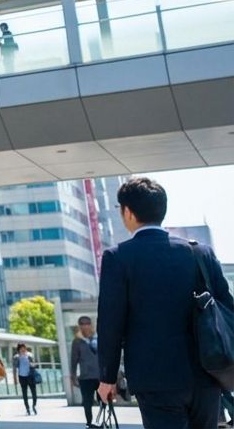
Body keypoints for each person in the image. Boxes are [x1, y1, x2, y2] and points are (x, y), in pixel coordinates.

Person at [97, 176, 232, 428]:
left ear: (128, 212)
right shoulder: (199, 252)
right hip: (207, 371)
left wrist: (107, 377)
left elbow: (110, 322)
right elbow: (226, 308)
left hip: (153, 377)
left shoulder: (118, 257)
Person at [71, 315, 103, 427]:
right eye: (82, 324)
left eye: (87, 323)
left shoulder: (99, 338)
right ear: (79, 326)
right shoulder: (77, 342)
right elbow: (74, 360)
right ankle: (89, 423)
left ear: (91, 324)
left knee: (102, 400)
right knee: (87, 402)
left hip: (100, 376)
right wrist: (73, 376)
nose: (85, 326)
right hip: (85, 377)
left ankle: (101, 420)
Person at [13, 344, 38, 415]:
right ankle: (27, 408)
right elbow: (14, 368)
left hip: (30, 376)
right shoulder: (16, 357)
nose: (23, 350)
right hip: (22, 377)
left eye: (24, 348)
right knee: (24, 394)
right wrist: (15, 379)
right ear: (19, 350)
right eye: (21, 349)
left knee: (34, 393)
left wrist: (33, 365)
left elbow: (35, 364)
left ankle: (34, 406)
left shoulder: (30, 355)